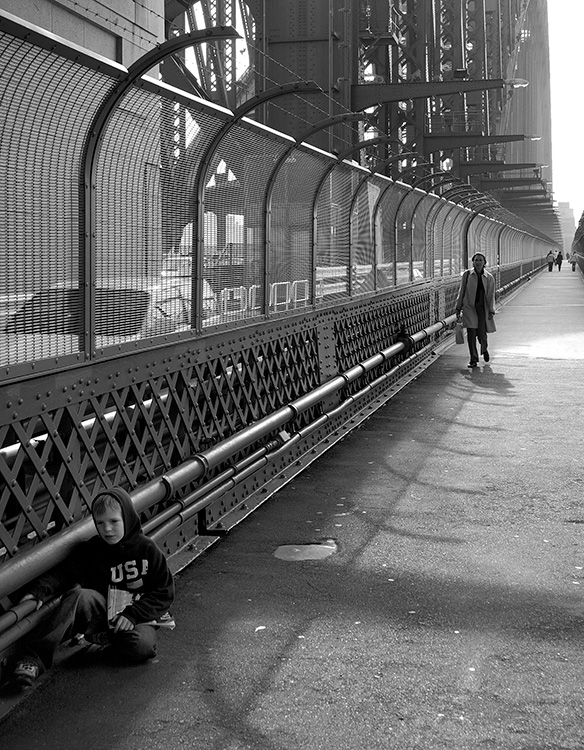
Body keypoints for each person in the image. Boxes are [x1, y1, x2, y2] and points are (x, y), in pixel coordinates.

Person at [10, 487, 175, 689]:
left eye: (114, 522)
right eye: (100, 523)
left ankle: (112, 642)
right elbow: (63, 574)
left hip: (135, 615)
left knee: (142, 647)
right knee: (79, 596)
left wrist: (134, 614)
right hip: (101, 608)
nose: (107, 529)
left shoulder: (147, 549)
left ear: (128, 518)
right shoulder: (92, 550)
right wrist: (38, 592)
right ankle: (32, 659)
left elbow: (164, 591)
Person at [455, 253, 496, 368]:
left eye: (480, 260)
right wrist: (458, 307)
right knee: (471, 334)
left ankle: (484, 349)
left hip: (483, 309)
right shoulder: (467, 275)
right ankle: (473, 359)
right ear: (473, 262)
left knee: (482, 334)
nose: (478, 262)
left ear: (484, 263)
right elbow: (461, 291)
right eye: (476, 260)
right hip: (470, 308)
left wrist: (491, 310)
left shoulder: (489, 277)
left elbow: (491, 295)